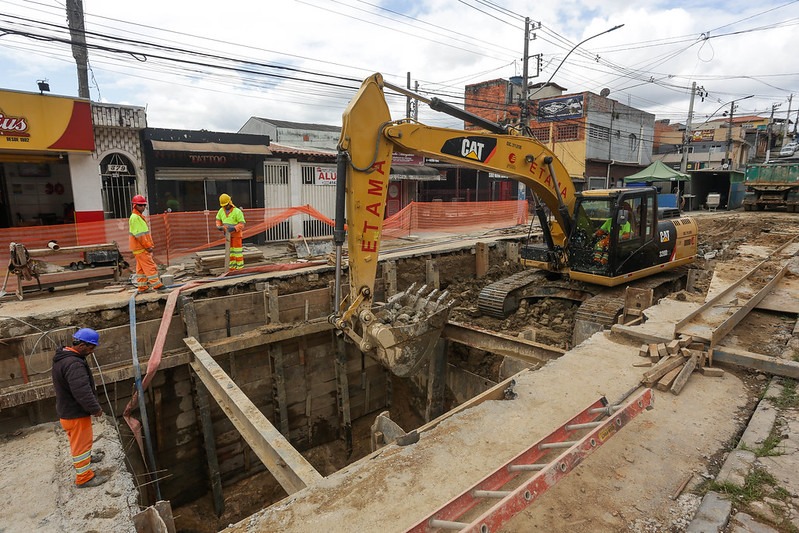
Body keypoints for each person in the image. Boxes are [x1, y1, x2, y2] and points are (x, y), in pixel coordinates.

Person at [52, 328, 107, 488]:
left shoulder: (64, 357)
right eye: (91, 348)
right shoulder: (74, 364)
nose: (92, 352)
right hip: (75, 415)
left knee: (80, 443)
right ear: (83, 345)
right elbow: (82, 392)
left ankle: (86, 459)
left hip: (68, 412)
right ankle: (84, 478)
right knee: (81, 445)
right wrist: (95, 409)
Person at [129, 195, 167, 293]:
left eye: (144, 205)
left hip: (138, 248)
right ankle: (157, 285)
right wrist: (148, 246)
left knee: (141, 269)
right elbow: (140, 235)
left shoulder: (137, 217)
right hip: (141, 248)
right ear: (135, 205)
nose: (143, 207)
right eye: (140, 205)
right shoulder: (135, 218)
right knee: (150, 266)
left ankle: (142, 287)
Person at [215, 193, 246, 270]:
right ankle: (232, 268)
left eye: (226, 205)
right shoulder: (221, 211)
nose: (225, 207)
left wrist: (235, 228)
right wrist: (219, 226)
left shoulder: (237, 211)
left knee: (237, 252)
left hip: (236, 235)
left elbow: (242, 224)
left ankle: (239, 268)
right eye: (223, 206)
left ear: (230, 202)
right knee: (230, 252)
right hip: (227, 235)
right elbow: (218, 219)